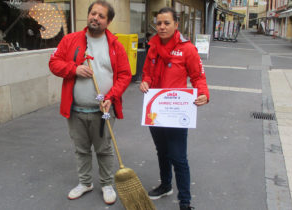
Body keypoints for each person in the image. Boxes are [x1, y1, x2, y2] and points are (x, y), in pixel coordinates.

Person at [49, 0, 131, 205]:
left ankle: (106, 184)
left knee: (104, 149)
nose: (95, 18)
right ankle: (85, 182)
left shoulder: (115, 45)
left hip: (103, 110)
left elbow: (124, 75)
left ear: (108, 21)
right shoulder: (70, 40)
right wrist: (73, 69)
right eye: (93, 13)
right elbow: (54, 63)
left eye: (101, 16)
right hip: (75, 110)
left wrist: (111, 97)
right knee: (81, 149)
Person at [139, 7, 209, 210]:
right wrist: (145, 82)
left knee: (178, 157)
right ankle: (166, 185)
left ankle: (185, 202)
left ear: (176, 25)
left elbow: (198, 77)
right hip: (156, 110)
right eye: (159, 23)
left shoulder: (187, 49)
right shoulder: (152, 47)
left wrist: (203, 93)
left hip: (177, 112)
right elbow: (147, 74)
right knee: (162, 151)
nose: (161, 27)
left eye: (166, 23)